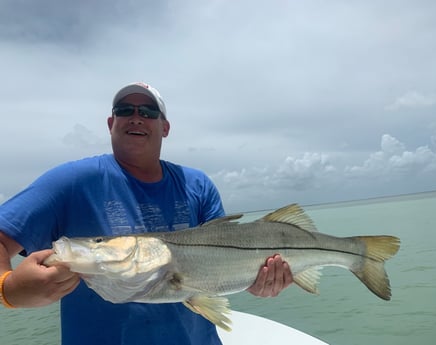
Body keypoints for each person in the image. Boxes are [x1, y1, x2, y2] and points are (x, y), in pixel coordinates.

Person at [0, 82, 293, 344]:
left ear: (165, 127)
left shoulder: (198, 185)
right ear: (111, 123)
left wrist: (257, 279)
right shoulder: (72, 182)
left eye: (149, 111)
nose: (136, 117)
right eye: (125, 109)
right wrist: (8, 289)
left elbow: (223, 267)